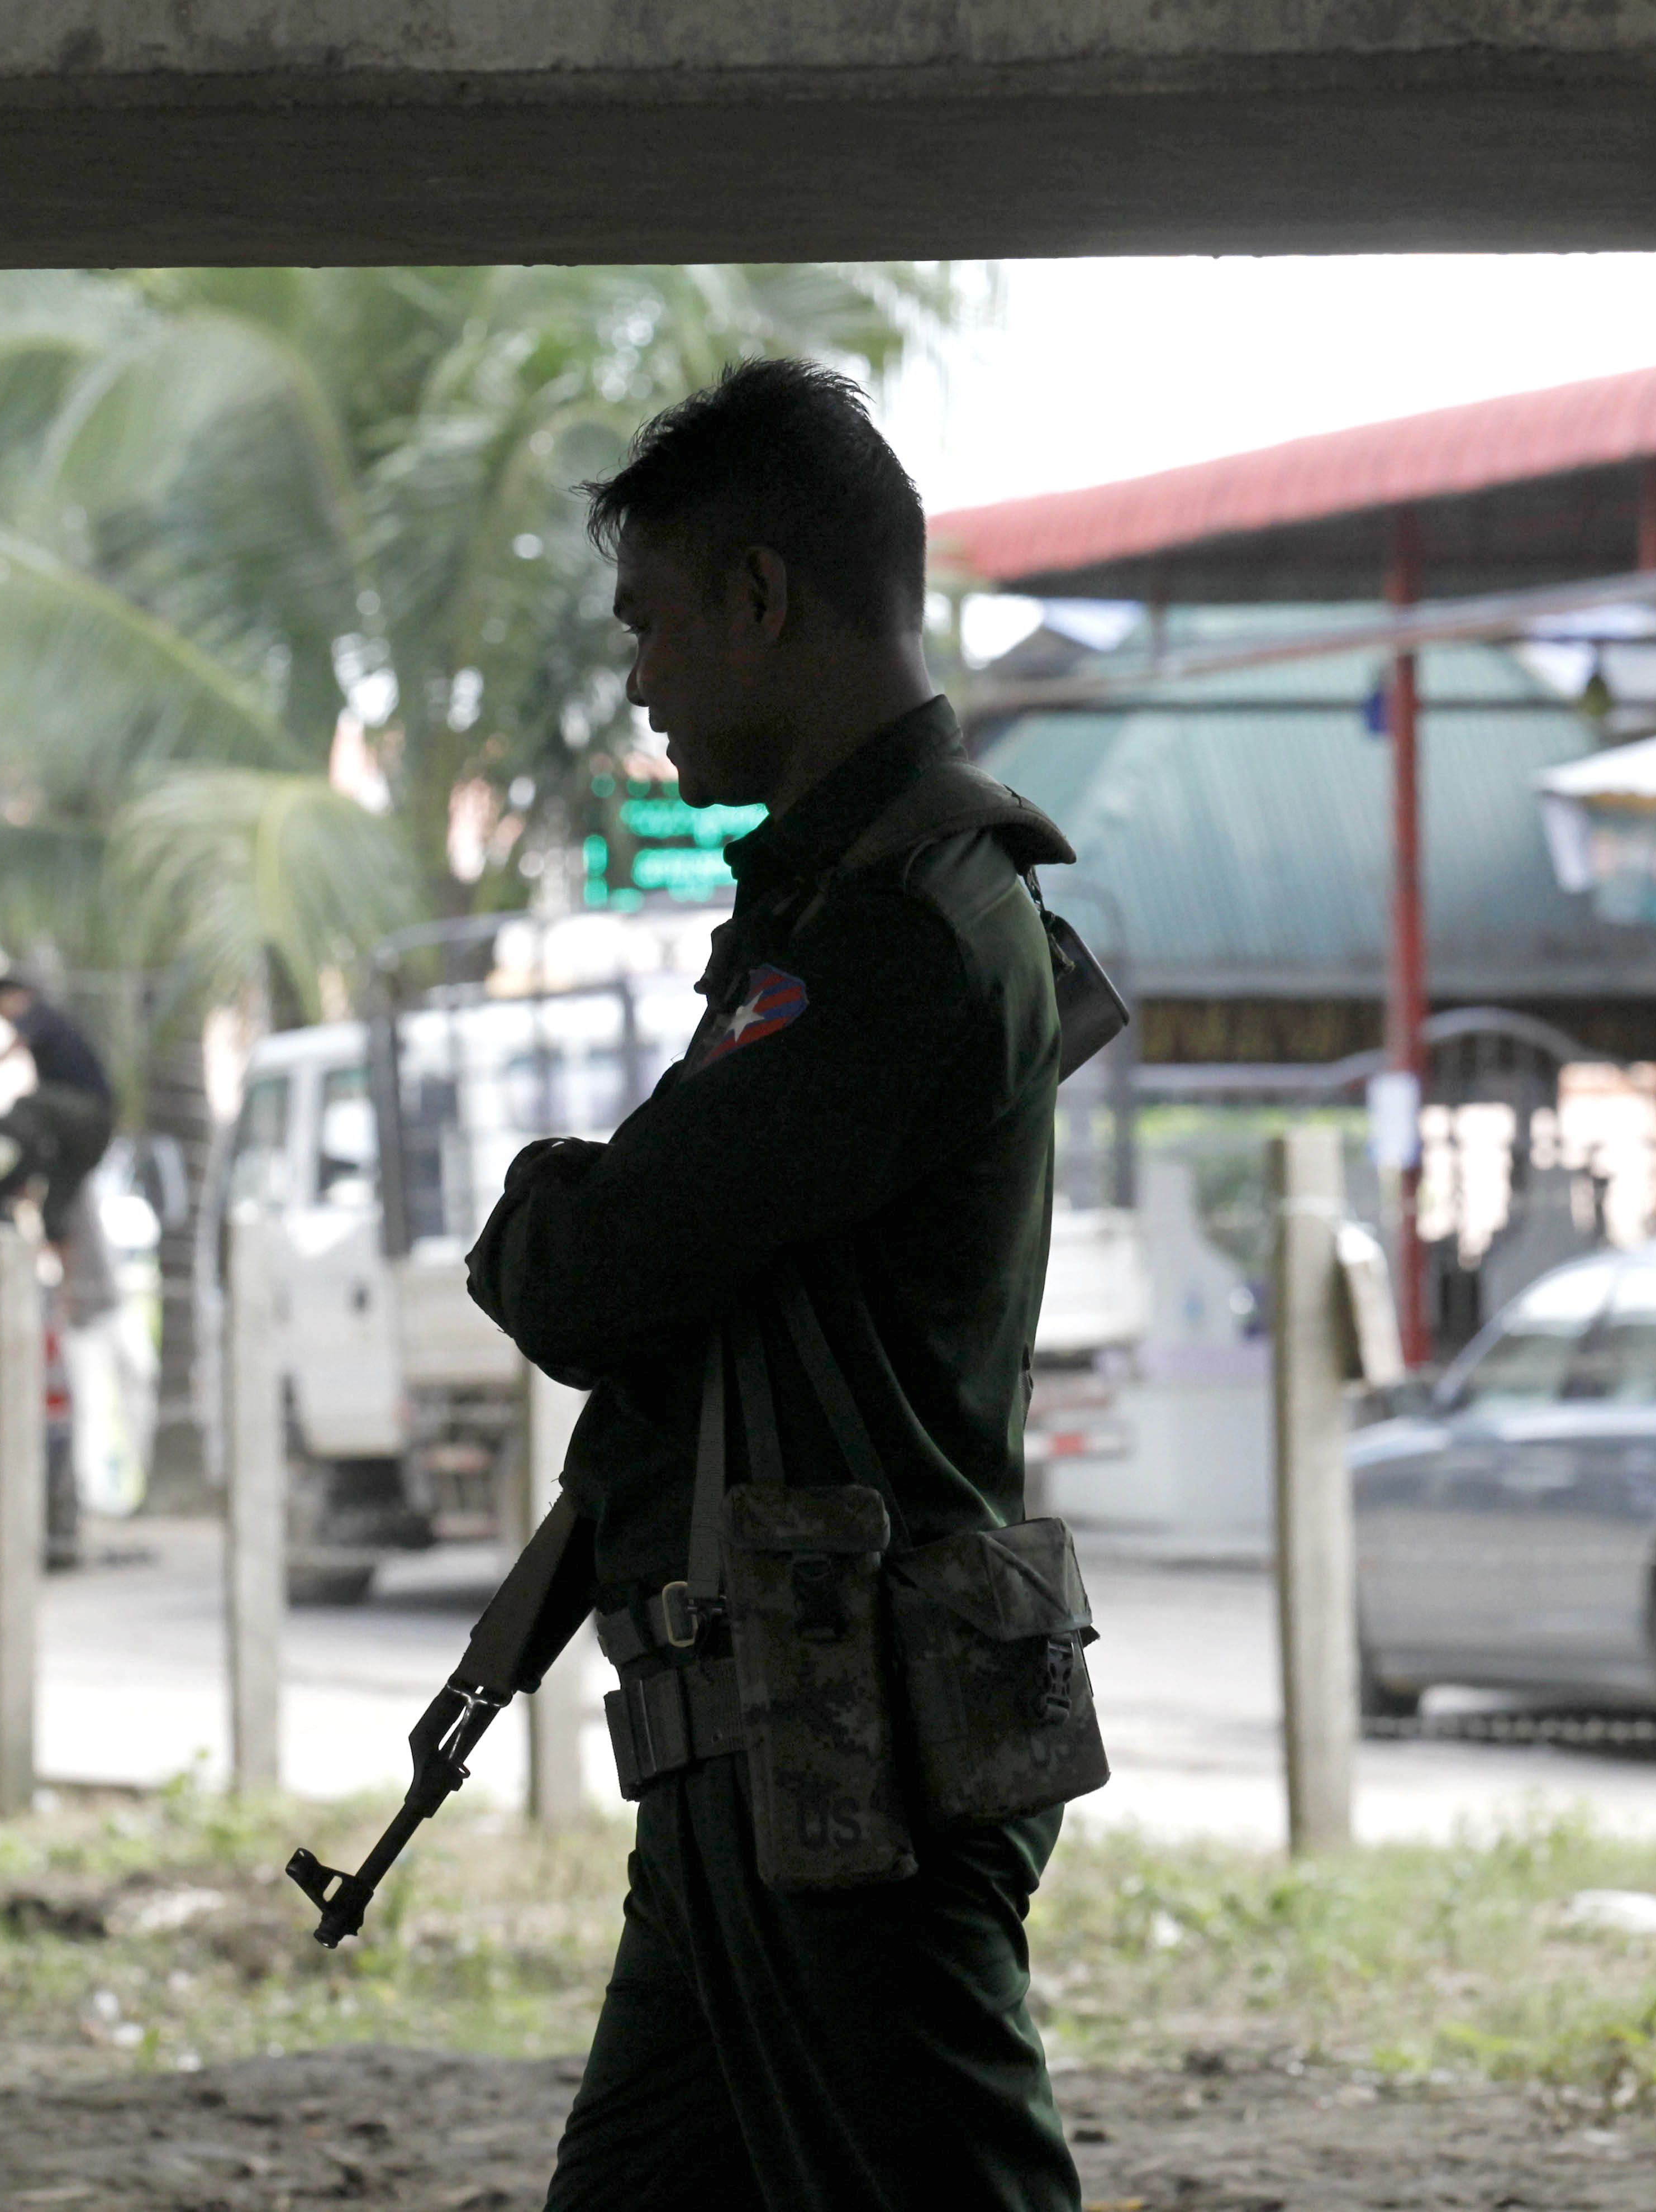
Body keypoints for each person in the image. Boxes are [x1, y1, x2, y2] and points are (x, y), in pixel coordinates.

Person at [467, 359, 1086, 2212]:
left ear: (761, 601)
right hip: (776, 1738)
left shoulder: (898, 933)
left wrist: (549, 1209)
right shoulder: (843, 909)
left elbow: (589, 1270)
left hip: (854, 1757)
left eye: (655, 621)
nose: (640, 677)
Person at [0, 976, 116, 1247]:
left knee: (26, 1106)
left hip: (91, 1114)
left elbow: (12, 1052)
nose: (7, 1017)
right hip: (80, 1145)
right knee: (53, 1217)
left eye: (4, 1007)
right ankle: (68, 1287)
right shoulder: (42, 1021)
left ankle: (18, 1165)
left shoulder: (40, 1015)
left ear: (19, 994)